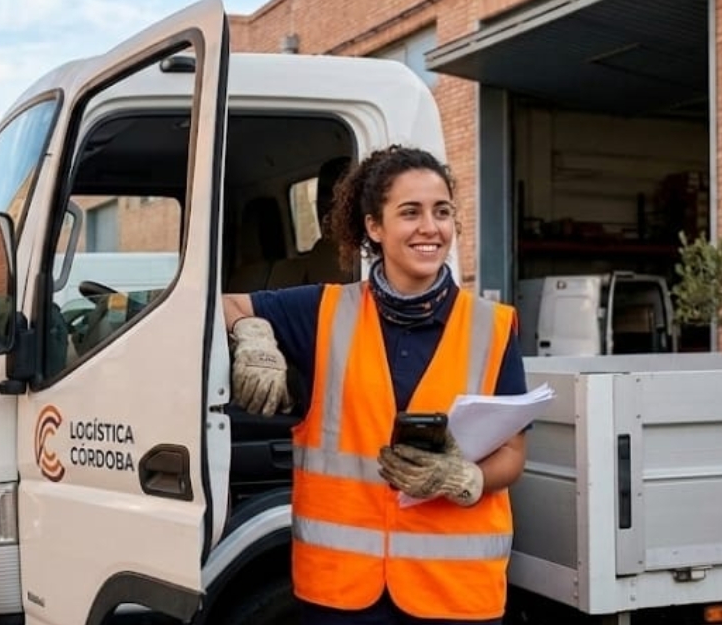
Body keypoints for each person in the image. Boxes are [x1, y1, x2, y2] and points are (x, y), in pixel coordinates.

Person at [222, 145, 528, 625]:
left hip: (455, 594)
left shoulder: (492, 327)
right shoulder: (323, 312)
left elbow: (512, 454)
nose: (430, 227)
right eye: (410, 212)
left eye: (442, 211)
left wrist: (467, 479)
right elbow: (226, 304)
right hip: (341, 594)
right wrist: (254, 337)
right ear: (374, 227)